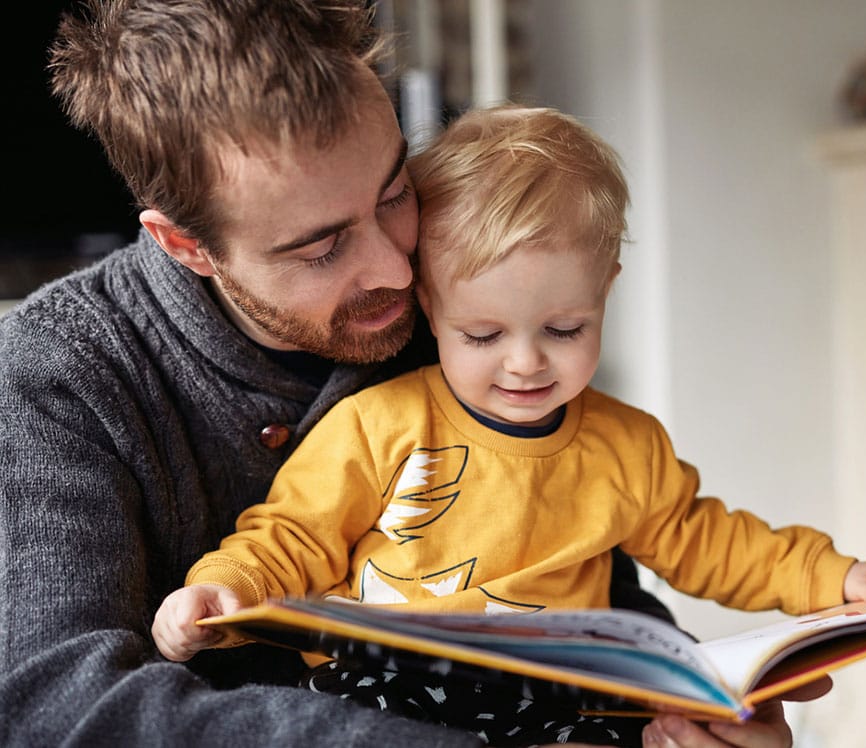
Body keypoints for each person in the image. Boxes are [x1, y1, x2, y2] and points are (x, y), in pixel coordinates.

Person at [0, 1, 822, 746]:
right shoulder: (58, 375)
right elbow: (59, 712)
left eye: (396, 192)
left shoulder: (460, 313)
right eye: (321, 247)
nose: (399, 269)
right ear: (187, 246)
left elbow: (581, 573)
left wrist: (679, 719)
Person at [152, 105, 866, 745]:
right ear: (429, 304)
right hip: (392, 684)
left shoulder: (628, 447)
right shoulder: (381, 422)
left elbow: (709, 540)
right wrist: (225, 591)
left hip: (561, 689)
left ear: (606, 290)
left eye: (563, 329)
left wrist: (837, 578)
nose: (525, 364)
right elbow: (293, 535)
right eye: (482, 336)